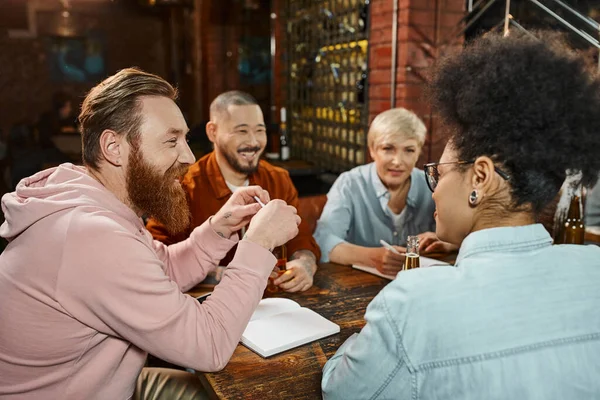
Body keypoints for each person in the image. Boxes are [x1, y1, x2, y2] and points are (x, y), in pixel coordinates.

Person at [322, 32, 600, 399]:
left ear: (480, 178)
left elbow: (341, 391)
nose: (433, 186)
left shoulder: (412, 304)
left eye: (439, 171)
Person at [0, 68, 301, 399]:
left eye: (186, 139)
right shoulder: (90, 236)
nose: (188, 157)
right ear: (114, 147)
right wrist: (257, 244)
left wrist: (218, 229)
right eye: (172, 141)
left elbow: (162, 270)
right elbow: (209, 345)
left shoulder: (87, 195)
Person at [147, 91, 320, 293]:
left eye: (260, 130)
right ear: (212, 132)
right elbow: (156, 262)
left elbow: (302, 241)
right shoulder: (183, 186)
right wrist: (228, 274)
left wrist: (304, 265)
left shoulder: (277, 179)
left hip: (274, 303)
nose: (254, 142)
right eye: (242, 131)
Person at [314, 107, 455, 276]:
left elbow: (470, 230)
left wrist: (449, 243)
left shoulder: (431, 184)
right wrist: (371, 257)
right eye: (388, 148)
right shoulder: (350, 183)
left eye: (409, 150)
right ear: (372, 150)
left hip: (420, 285)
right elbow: (323, 241)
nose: (397, 161)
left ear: (418, 152)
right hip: (358, 288)